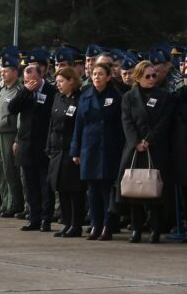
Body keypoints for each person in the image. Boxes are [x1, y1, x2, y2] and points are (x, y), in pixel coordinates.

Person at [119, 60, 173, 243]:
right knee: (135, 191)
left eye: (154, 75)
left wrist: (149, 140)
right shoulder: (128, 97)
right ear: (138, 77)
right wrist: (136, 142)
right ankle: (136, 228)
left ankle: (155, 229)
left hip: (155, 148)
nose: (151, 79)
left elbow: (164, 122)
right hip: (135, 149)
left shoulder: (164, 96)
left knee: (154, 190)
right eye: (147, 76)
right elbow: (127, 122)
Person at [70, 62, 125, 241]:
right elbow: (78, 125)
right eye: (94, 74)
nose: (96, 77)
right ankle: (95, 224)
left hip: (109, 148)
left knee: (107, 189)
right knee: (92, 190)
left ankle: (108, 226)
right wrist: (75, 150)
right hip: (90, 148)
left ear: (108, 77)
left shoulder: (116, 97)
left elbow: (120, 126)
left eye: (100, 74)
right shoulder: (85, 96)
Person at [10, 57, 57, 231]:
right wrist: (25, 92)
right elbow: (12, 109)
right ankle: (34, 217)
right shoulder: (24, 91)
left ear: (40, 76)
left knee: (45, 186)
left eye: (32, 80)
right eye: (26, 80)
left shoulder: (51, 91)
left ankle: (46, 219)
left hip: (43, 145)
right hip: (26, 145)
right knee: (30, 186)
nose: (29, 83)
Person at [47, 65, 84, 237]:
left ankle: (76, 224)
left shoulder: (79, 99)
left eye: (61, 81)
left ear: (71, 81)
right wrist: (49, 146)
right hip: (57, 150)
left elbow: (80, 126)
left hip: (71, 149)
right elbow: (51, 125)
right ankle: (66, 222)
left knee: (74, 189)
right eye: (57, 82)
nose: (58, 85)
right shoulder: (58, 98)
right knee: (60, 188)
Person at [0, 55, 24, 217]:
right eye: (1, 71)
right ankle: (5, 202)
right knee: (0, 171)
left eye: (6, 71)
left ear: (15, 72)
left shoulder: (18, 90)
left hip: (9, 135)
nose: (2, 74)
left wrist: (17, 139)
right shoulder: (2, 89)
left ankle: (14, 203)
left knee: (10, 171)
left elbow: (19, 118)